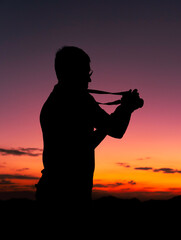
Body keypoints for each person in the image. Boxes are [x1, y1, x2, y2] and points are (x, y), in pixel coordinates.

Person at [35, 46, 143, 210]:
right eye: (86, 73)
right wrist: (126, 108)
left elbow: (110, 129)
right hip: (68, 195)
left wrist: (123, 110)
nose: (89, 80)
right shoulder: (80, 100)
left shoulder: (55, 100)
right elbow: (114, 131)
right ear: (72, 72)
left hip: (52, 190)